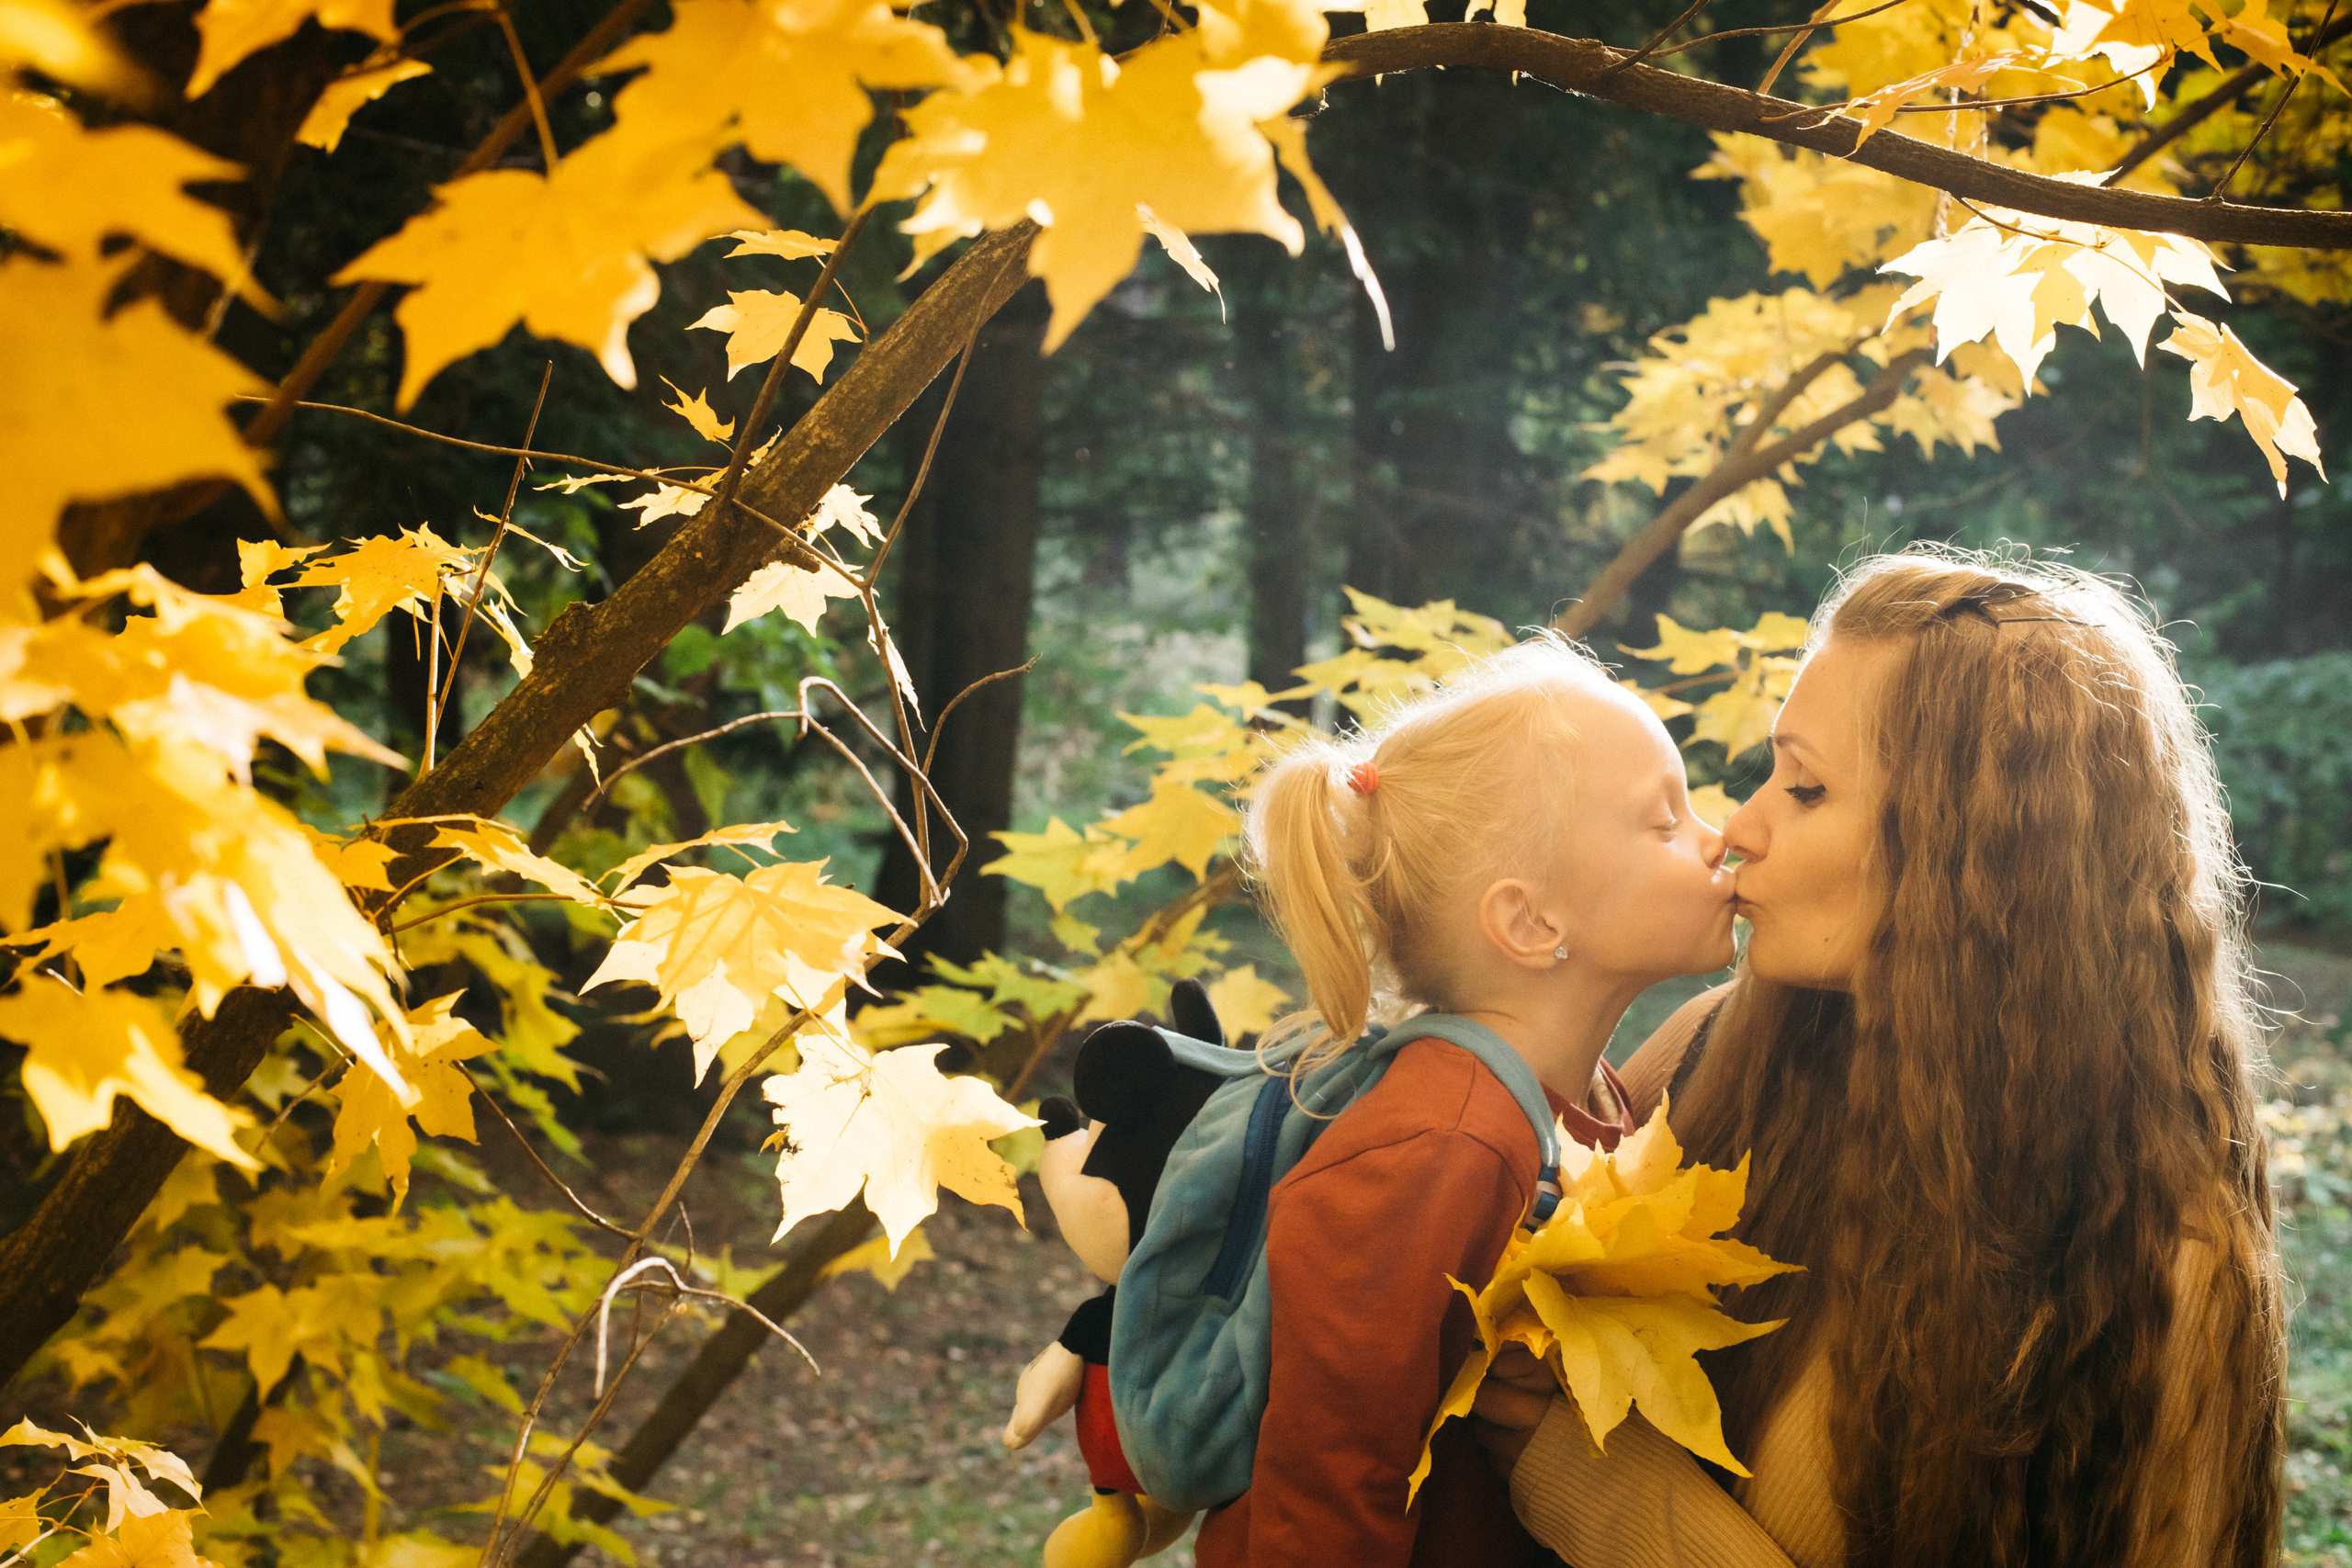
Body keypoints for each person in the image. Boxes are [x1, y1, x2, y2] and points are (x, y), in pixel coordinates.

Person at [1475, 549, 2286, 1568]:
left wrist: (1599, 1485)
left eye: (1806, 789)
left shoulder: (2155, 1259)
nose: (1742, 827)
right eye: (1772, 769)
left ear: (1978, 861)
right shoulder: (1718, 1047)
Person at [1194, 633, 1736, 1568]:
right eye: (1664, 822)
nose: (1718, 836)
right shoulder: (1439, 1143)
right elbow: (1326, 1476)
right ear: (1531, 923)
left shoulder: (1587, 1095)